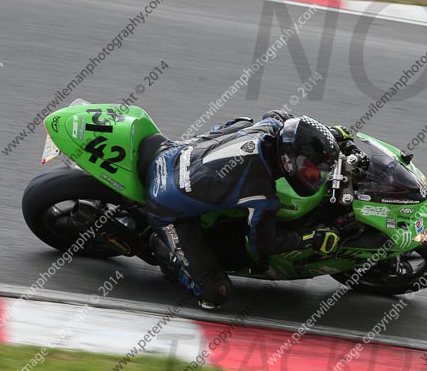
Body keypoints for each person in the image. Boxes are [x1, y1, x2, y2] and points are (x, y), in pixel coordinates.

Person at [142, 110, 352, 309]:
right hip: (164, 203)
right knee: (215, 293)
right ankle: (163, 250)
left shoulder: (271, 128)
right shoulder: (260, 191)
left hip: (174, 154)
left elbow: (282, 117)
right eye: (310, 170)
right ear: (289, 162)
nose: (315, 175)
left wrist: (325, 137)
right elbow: (264, 245)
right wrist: (310, 238)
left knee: (243, 123)